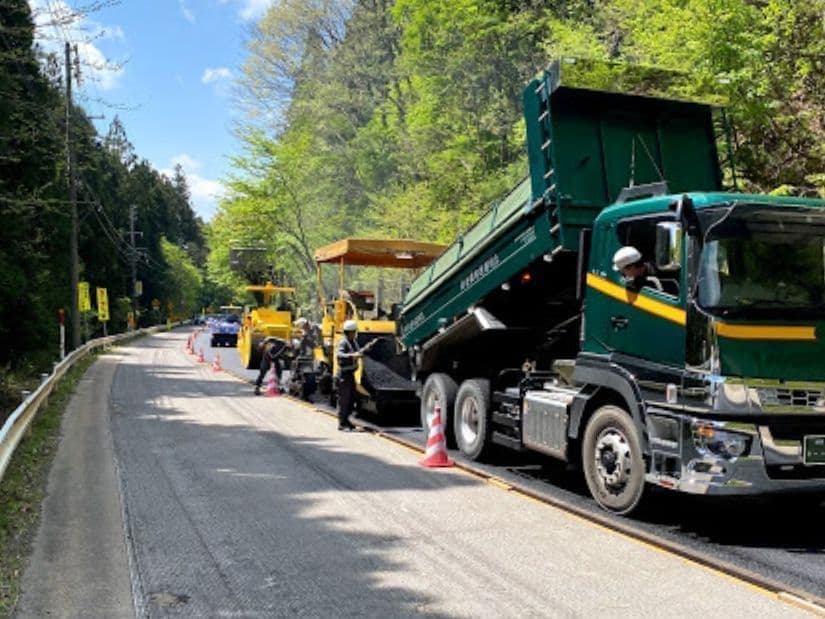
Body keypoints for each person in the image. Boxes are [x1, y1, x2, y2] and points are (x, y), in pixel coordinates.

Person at [335, 320, 376, 431]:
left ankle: (346, 420)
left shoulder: (353, 342)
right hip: (344, 375)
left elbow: (359, 352)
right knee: (344, 400)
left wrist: (368, 347)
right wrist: (352, 355)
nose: (355, 334)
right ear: (349, 332)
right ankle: (341, 423)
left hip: (350, 375)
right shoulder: (344, 342)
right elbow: (339, 354)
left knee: (352, 398)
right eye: (354, 332)